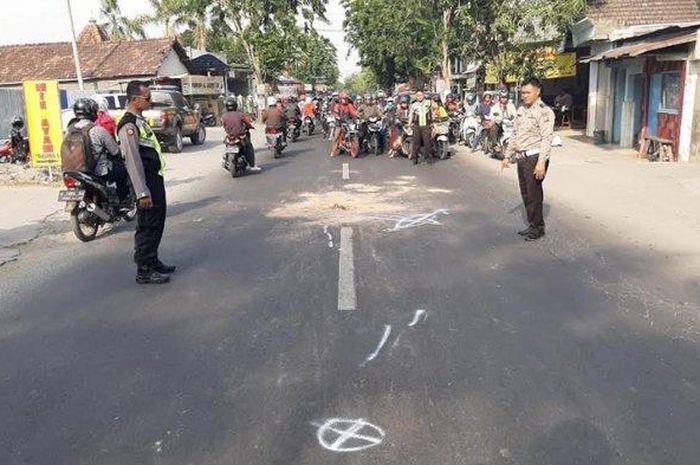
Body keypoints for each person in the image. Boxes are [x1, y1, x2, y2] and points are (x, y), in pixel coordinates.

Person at [117, 81, 174, 284]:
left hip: (153, 179)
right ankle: (144, 269)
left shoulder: (140, 121)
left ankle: (153, 259)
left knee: (157, 221)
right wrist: (142, 192)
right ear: (134, 99)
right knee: (147, 224)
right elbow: (132, 161)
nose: (151, 101)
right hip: (145, 184)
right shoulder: (128, 126)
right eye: (147, 98)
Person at [501, 78, 555, 242]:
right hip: (521, 157)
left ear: (537, 92)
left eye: (527, 92)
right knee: (525, 193)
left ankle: (538, 228)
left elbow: (547, 138)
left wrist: (541, 163)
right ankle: (532, 224)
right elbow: (515, 134)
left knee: (533, 194)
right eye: (522, 93)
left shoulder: (544, 112)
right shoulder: (522, 110)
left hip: (535, 157)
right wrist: (507, 156)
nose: (523, 96)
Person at [69, 99, 130, 205]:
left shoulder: (70, 130)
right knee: (122, 170)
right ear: (92, 112)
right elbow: (115, 151)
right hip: (98, 171)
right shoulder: (98, 130)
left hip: (73, 171)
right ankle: (123, 201)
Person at [222, 96, 260, 172]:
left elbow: (224, 125)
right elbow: (247, 122)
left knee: (226, 144)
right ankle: (252, 165)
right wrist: (251, 127)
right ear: (236, 106)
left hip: (230, 136)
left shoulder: (224, 116)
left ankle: (225, 160)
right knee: (249, 147)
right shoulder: (240, 114)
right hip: (240, 136)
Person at [485, 89, 517, 155]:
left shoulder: (511, 105)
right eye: (502, 97)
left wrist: (514, 118)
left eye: (505, 97)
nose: (504, 99)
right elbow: (492, 116)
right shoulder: (495, 107)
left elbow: (515, 114)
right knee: (494, 128)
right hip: (499, 124)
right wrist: (496, 119)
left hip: (509, 124)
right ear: (500, 98)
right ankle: (495, 145)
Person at [330, 91, 359, 156]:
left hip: (348, 122)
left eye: (346, 99)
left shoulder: (349, 105)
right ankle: (333, 151)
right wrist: (337, 116)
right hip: (339, 123)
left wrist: (357, 115)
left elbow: (353, 112)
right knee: (336, 136)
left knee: (356, 131)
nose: (345, 100)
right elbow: (335, 112)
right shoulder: (338, 105)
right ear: (340, 99)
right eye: (343, 99)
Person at [409, 90, 433, 164]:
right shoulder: (413, 105)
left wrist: (434, 122)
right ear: (416, 97)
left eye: (421, 95)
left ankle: (427, 158)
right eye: (418, 95)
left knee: (427, 143)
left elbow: (434, 110)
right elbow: (411, 115)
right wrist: (409, 124)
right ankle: (415, 158)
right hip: (417, 126)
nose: (420, 97)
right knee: (416, 143)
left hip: (426, 125)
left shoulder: (429, 103)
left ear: (423, 95)